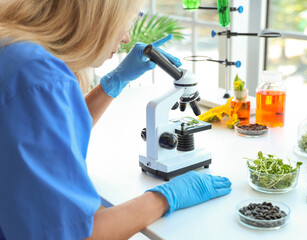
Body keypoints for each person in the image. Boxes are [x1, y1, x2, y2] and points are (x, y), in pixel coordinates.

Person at [0, 0, 232, 239]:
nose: (126, 38)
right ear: (97, 16)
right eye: (125, 22)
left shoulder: (14, 48)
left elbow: (49, 134)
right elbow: (77, 235)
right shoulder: (36, 77)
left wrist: (114, 82)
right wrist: (166, 197)